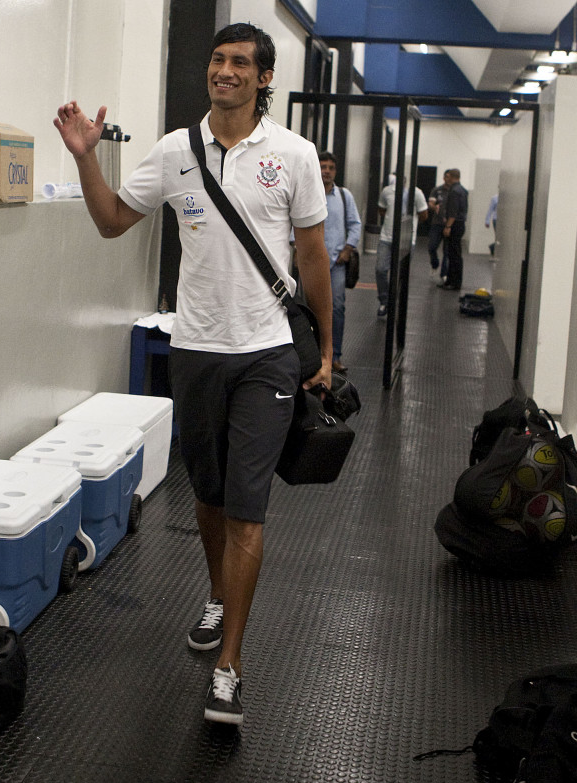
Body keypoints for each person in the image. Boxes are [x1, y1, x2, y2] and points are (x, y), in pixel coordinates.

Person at [54, 22, 334, 727]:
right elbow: (114, 220)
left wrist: (327, 351)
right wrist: (89, 159)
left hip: (267, 353)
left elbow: (313, 258)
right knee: (208, 499)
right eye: (218, 60)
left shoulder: (294, 156)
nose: (226, 71)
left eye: (241, 63)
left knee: (246, 508)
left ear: (264, 78)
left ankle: (229, 665)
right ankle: (218, 594)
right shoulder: (175, 152)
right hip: (196, 350)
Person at [300, 152, 360, 370]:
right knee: (306, 309)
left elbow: (355, 224)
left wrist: (348, 248)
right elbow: (293, 225)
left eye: (330, 167)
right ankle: (311, 356)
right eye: (322, 166)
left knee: (336, 309)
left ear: (335, 171)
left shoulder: (345, 197)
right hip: (310, 265)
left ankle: (334, 356)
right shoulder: (306, 193)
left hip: (336, 265)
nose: (326, 171)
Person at [375, 175, 429, 317]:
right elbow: (381, 209)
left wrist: (412, 222)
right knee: (380, 269)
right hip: (387, 237)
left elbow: (424, 214)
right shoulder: (387, 191)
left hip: (406, 240)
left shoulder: (416, 193)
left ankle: (395, 302)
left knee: (400, 273)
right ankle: (385, 300)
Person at [439, 168, 470, 290]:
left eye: (448, 176)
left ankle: (454, 282)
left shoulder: (454, 191)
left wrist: (448, 226)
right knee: (454, 254)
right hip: (460, 224)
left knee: (453, 255)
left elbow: (453, 211)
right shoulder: (463, 190)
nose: (446, 179)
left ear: (451, 177)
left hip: (454, 225)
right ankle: (452, 281)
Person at [426, 180, 450, 278]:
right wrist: (433, 206)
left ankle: (444, 273)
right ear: (444, 178)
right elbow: (430, 203)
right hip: (437, 223)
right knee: (432, 246)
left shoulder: (454, 191)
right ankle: (434, 264)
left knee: (447, 250)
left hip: (448, 224)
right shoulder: (437, 190)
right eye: (447, 177)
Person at [485, 192, 498, 258]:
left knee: (500, 238)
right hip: (496, 220)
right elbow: (490, 210)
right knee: (498, 237)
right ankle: (493, 249)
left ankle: (492, 247)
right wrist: (487, 221)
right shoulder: (495, 198)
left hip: (502, 220)